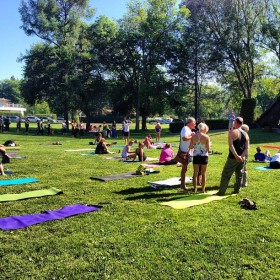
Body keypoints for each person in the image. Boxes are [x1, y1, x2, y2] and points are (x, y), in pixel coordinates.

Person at [217, 117, 249, 196]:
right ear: (242, 123)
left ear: (235, 123)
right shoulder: (246, 134)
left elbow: (231, 145)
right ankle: (237, 190)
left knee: (226, 175)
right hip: (242, 158)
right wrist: (241, 156)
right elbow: (247, 148)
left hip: (232, 158)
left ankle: (222, 192)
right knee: (239, 175)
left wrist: (236, 156)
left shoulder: (232, 132)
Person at [175, 117, 196, 190]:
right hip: (184, 153)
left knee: (185, 169)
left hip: (187, 152)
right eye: (194, 123)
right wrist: (192, 136)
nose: (195, 124)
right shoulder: (185, 128)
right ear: (190, 123)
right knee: (184, 169)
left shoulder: (188, 129)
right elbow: (184, 138)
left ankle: (183, 184)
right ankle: (183, 185)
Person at [189, 122, 210, 193]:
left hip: (196, 155)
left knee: (195, 173)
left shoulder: (193, 136)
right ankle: (203, 190)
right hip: (204, 156)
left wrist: (196, 145)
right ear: (204, 128)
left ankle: (195, 189)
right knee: (204, 173)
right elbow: (208, 149)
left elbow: (191, 147)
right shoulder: (206, 137)